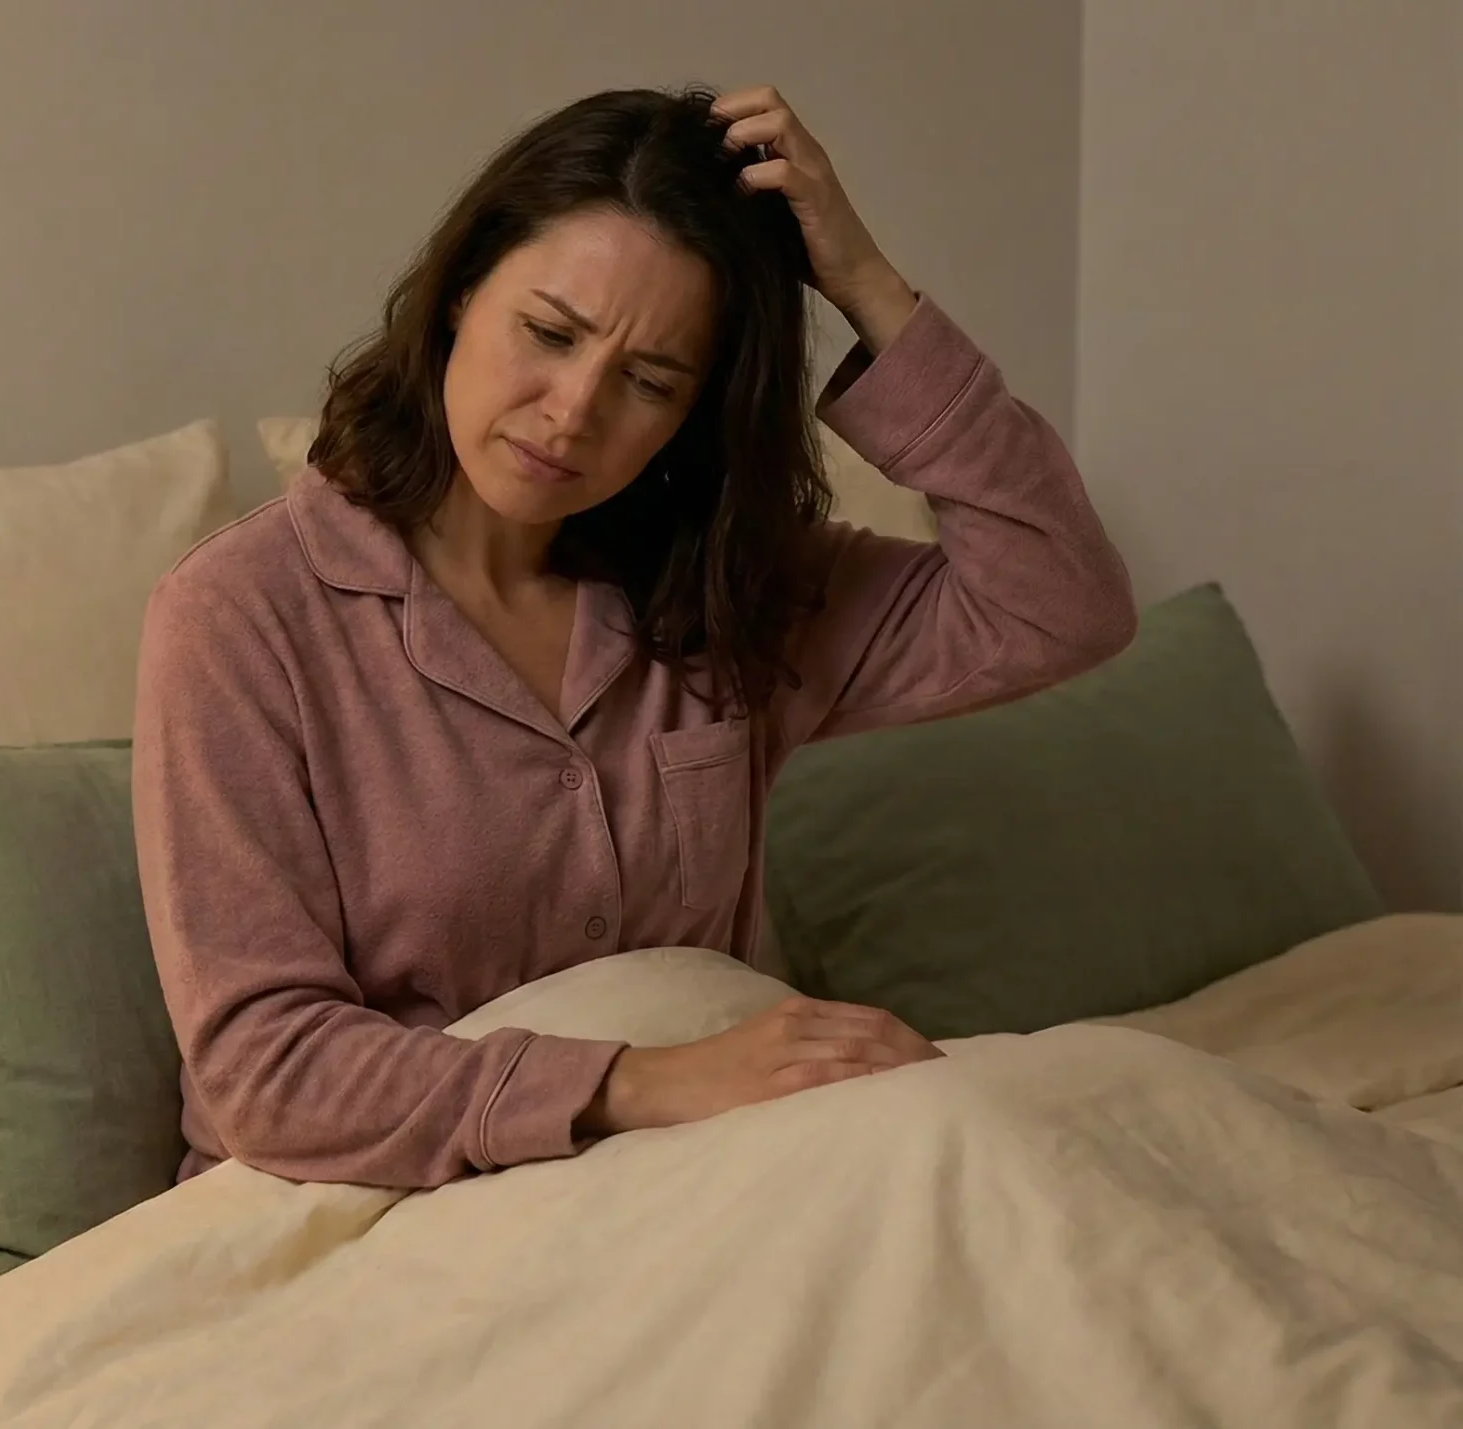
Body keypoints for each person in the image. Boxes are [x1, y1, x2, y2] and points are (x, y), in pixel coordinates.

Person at [131, 84, 1139, 1188]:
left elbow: (1061, 605)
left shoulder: (724, 591)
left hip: (680, 1187)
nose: (571, 410)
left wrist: (864, 284)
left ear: (691, 415)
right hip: (365, 1208)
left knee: (1062, 1170)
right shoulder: (239, 616)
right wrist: (642, 1082)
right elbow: (263, 1075)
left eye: (647, 381)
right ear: (462, 293)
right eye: (548, 333)